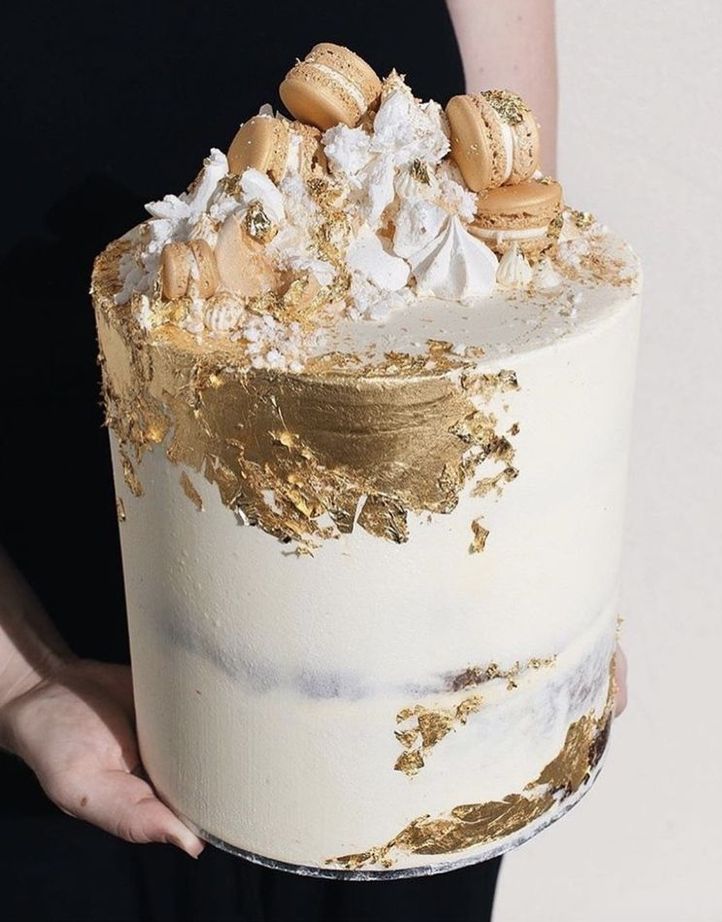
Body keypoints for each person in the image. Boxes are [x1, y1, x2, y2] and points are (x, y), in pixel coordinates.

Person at [0, 1, 626, 919]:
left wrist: (551, 613)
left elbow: (530, 305)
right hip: (79, 711)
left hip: (417, 752)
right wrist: (26, 678)